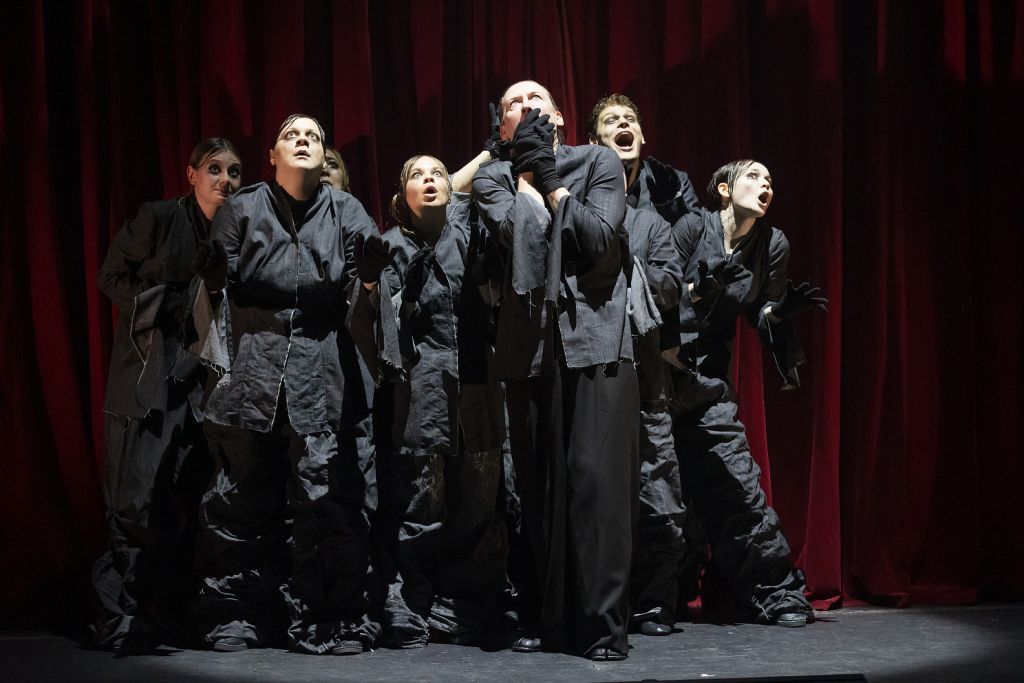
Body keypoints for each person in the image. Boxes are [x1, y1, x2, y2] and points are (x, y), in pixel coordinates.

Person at [190, 114, 380, 655]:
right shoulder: (243, 208)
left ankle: (327, 618)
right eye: (291, 135)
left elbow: (364, 293)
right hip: (252, 368)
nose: (302, 140)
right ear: (272, 156)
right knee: (242, 496)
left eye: (313, 136)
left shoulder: (346, 211)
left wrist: (369, 281)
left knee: (324, 496)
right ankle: (238, 614)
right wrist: (214, 282)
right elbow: (215, 291)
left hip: (322, 370)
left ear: (323, 157)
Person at [472, 80, 638, 661]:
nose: (527, 107)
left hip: (598, 338)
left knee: (597, 483)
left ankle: (603, 627)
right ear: (502, 125)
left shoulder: (599, 161)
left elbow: (598, 240)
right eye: (514, 103)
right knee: (539, 486)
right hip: (529, 347)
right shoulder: (493, 179)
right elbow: (521, 243)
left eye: (537, 99)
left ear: (561, 117)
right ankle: (552, 621)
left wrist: (549, 180)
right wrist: (535, 180)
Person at [347, 154, 506, 648]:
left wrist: (486, 279)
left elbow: (500, 305)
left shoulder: (472, 236)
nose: (430, 180)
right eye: (417, 174)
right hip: (419, 392)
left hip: (477, 389)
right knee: (418, 502)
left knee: (477, 504)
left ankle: (462, 607)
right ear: (403, 196)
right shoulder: (390, 247)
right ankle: (409, 604)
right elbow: (372, 329)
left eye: (438, 173)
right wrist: (394, 296)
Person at [91, 137, 242, 654]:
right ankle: (122, 616)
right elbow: (110, 275)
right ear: (192, 174)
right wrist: (165, 302)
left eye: (234, 172)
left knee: (191, 503)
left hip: (201, 387)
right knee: (134, 502)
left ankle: (175, 614)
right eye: (215, 169)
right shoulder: (158, 218)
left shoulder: (235, 233)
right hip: (148, 380)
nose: (226, 180)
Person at [668, 159, 827, 627]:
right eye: (754, 177)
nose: (765, 185)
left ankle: (775, 592)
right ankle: (659, 592)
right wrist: (696, 292)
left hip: (707, 384)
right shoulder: (691, 227)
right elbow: (659, 292)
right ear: (724, 189)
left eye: (770, 180)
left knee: (738, 487)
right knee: (660, 495)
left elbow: (762, 311)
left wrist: (779, 313)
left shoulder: (771, 244)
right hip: (658, 377)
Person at [588, 94, 696, 635]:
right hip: (591, 372)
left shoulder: (653, 223)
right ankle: (596, 597)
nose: (623, 125)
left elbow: (671, 285)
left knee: (658, 488)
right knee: (593, 489)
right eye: (612, 121)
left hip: (647, 375)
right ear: (593, 144)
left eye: (630, 119)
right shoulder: (578, 211)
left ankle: (654, 600)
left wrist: (626, 267)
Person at [585, 93, 700, 224]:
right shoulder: (582, 184)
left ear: (642, 137)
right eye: (610, 121)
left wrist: (671, 207)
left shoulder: (676, 182)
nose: (623, 122)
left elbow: (695, 231)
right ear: (594, 141)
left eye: (631, 119)